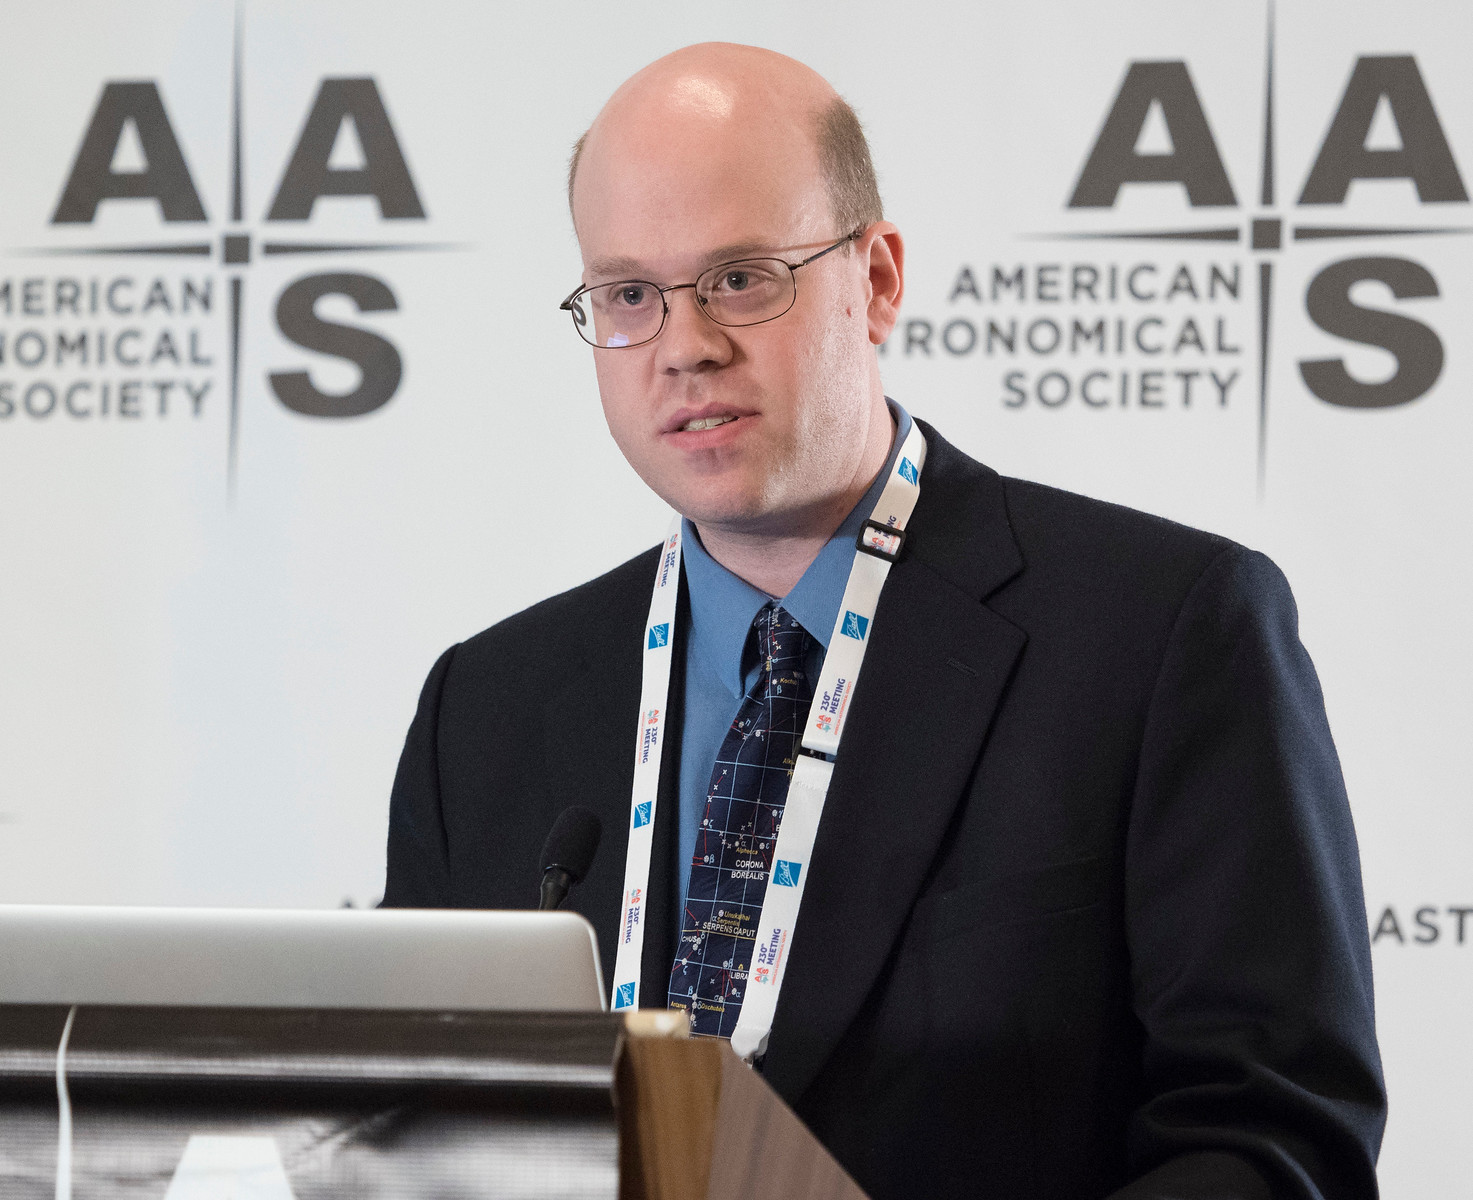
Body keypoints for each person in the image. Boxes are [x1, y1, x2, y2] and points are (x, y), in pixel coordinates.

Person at [384, 42, 1385, 1200]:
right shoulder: (487, 708)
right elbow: (415, 1138)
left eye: (744, 278)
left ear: (880, 280)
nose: (684, 345)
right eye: (628, 296)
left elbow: (1272, 1143)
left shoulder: (1164, 635)